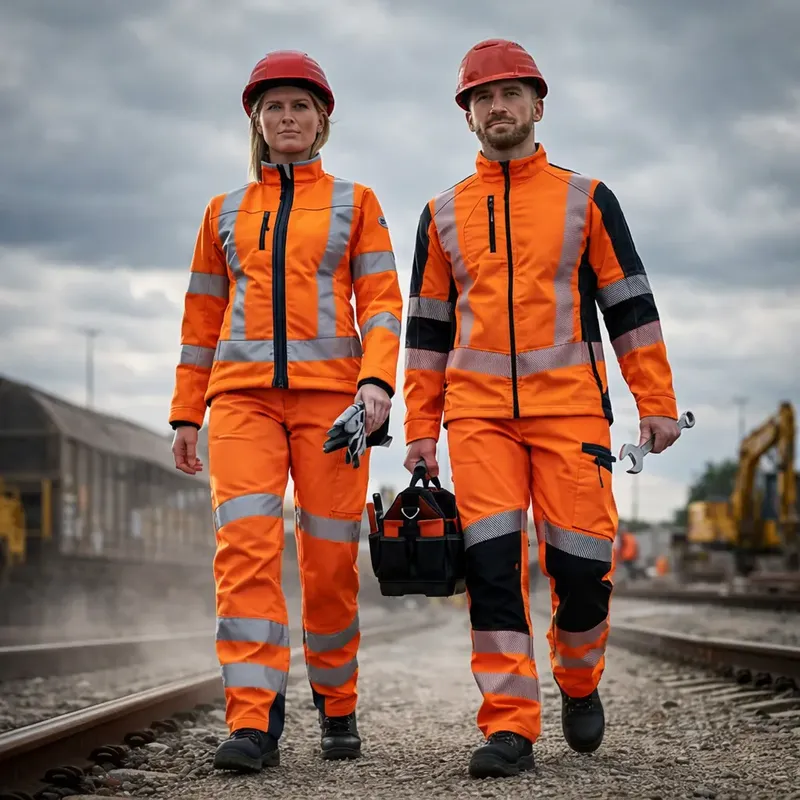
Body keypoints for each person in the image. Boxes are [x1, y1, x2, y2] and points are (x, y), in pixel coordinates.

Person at [402, 38, 681, 778]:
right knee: (492, 570)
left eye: (511, 94)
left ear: (537, 105)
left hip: (573, 416)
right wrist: (421, 430)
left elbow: (630, 305)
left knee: (583, 569)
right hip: (479, 418)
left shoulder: (587, 199)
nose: (498, 107)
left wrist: (656, 400)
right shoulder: (440, 214)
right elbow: (426, 332)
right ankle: (509, 725)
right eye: (482, 97)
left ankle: (579, 679)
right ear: (467, 115)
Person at [169, 49, 403, 772]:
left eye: (301, 106)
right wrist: (186, 413)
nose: (288, 118)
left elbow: (385, 304)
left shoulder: (356, 203)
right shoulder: (224, 211)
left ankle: (336, 705)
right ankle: (252, 721)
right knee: (245, 556)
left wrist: (377, 385)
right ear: (256, 122)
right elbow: (201, 317)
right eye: (274, 107)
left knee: (330, 566)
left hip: (335, 408)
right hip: (240, 404)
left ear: (322, 120)